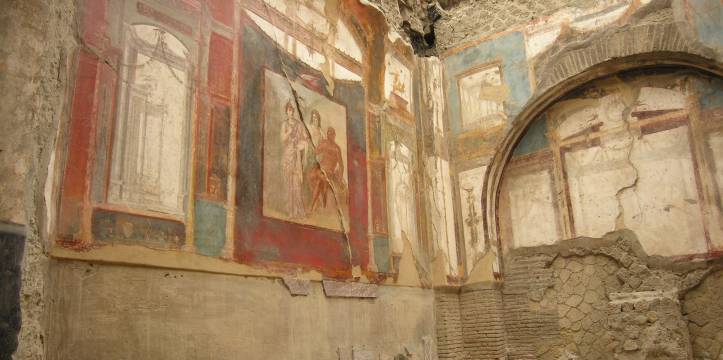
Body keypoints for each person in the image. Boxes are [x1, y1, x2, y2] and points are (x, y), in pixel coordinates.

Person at [280, 100, 307, 219]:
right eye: (288, 110)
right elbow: (282, 139)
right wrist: (289, 132)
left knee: (297, 184)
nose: (290, 112)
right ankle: (290, 211)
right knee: (288, 183)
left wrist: (302, 149)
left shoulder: (299, 125)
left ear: (294, 112)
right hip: (287, 156)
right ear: (286, 112)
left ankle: (300, 211)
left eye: (292, 110)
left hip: (296, 156)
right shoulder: (284, 124)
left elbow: (305, 140)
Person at [308, 126, 345, 213]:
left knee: (319, 181)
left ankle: (312, 206)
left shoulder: (337, 148)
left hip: (329, 172)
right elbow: (315, 151)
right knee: (310, 176)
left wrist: (339, 179)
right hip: (320, 169)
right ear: (327, 134)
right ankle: (320, 200)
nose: (330, 135)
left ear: (334, 135)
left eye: (332, 134)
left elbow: (341, 165)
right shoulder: (324, 143)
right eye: (328, 133)